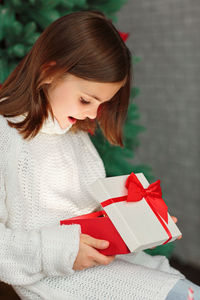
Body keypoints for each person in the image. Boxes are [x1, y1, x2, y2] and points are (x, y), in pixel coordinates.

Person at [0, 10, 199, 300]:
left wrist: (142, 222)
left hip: (103, 264)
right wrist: (62, 250)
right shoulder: (6, 136)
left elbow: (91, 213)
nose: (92, 114)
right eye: (86, 100)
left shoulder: (74, 134)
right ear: (49, 71)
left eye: (101, 104)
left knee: (185, 290)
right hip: (55, 280)